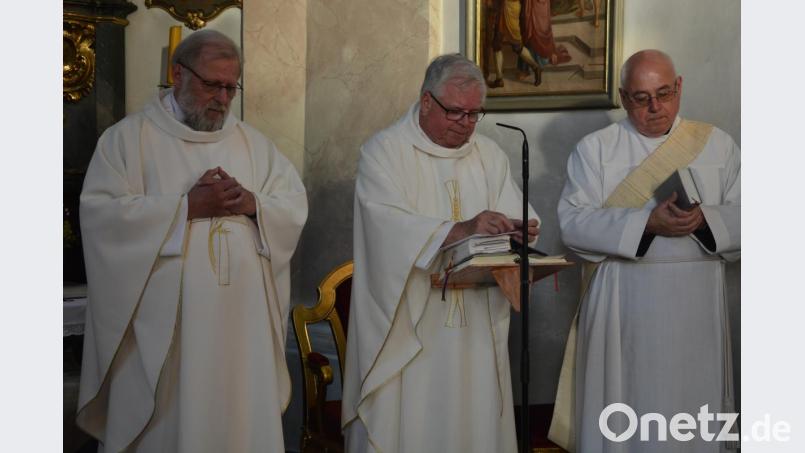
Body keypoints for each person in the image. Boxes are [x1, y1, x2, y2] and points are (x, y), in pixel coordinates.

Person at [76, 30, 308, 452]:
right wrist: (186, 208)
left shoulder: (254, 146)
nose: (222, 98)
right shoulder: (128, 141)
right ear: (177, 74)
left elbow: (292, 205)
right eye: (211, 84)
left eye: (230, 87)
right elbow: (101, 216)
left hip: (241, 331)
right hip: (166, 334)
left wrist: (254, 204)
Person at [341, 53, 540, 453]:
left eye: (474, 114)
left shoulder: (488, 155)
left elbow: (514, 213)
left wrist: (519, 231)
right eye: (455, 112)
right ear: (427, 100)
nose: (465, 124)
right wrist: (462, 228)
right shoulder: (385, 151)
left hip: (477, 323)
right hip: (414, 320)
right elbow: (383, 225)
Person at [550, 49, 740, 452]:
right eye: (641, 98)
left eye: (665, 94)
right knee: (630, 408)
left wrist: (706, 218)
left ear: (680, 87)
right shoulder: (596, 149)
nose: (655, 107)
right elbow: (572, 223)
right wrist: (646, 223)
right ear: (622, 97)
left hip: (697, 310)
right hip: (624, 304)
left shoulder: (717, 144)